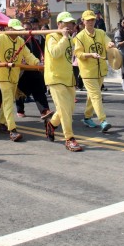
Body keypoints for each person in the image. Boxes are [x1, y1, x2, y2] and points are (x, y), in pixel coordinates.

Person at [0, 18, 40, 142]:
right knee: (8, 100)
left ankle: (1, 122)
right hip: (2, 74)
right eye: (15, 30)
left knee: (9, 100)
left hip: (14, 74)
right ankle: (12, 130)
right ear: (8, 29)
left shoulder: (20, 41)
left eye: (19, 30)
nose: (17, 33)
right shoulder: (0, 38)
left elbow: (28, 55)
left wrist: (37, 63)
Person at [43, 11, 82, 151]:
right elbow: (54, 53)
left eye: (71, 24)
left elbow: (70, 58)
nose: (69, 26)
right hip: (55, 78)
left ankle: (52, 124)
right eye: (66, 24)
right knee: (65, 110)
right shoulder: (51, 37)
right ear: (59, 24)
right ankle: (69, 138)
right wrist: (64, 38)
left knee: (68, 109)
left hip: (68, 78)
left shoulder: (70, 39)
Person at [73, 10, 115, 132]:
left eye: (92, 19)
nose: (90, 22)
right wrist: (90, 54)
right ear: (83, 21)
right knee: (97, 95)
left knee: (92, 96)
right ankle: (103, 120)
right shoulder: (79, 37)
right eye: (88, 20)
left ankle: (87, 117)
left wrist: (110, 44)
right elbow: (78, 53)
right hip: (88, 72)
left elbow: (107, 42)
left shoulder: (101, 33)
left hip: (100, 70)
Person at [15, 18, 52, 119]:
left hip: (35, 68)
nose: (26, 31)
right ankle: (20, 109)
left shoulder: (36, 41)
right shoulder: (19, 41)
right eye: (24, 29)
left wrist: (41, 61)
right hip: (23, 71)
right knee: (20, 92)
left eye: (28, 29)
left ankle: (44, 110)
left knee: (39, 91)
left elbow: (42, 52)